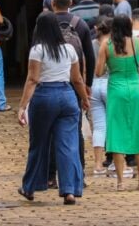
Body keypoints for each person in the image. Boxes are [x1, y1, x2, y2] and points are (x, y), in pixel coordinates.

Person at [17, 12, 89, 204]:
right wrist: (84, 99)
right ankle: (70, 190)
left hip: (44, 96)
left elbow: (32, 79)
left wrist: (22, 106)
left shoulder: (37, 50)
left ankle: (30, 187)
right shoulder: (69, 49)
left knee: (39, 144)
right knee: (68, 145)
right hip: (67, 96)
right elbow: (77, 79)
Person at [95, 15, 139, 191]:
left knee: (116, 133)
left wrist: (110, 65)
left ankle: (120, 182)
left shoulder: (107, 45)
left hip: (116, 91)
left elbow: (98, 71)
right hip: (135, 90)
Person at [48, 0, 95, 181]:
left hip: (49, 83)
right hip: (74, 85)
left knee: (50, 130)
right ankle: (79, 174)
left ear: (53, 3)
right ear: (70, 3)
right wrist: (88, 84)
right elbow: (89, 57)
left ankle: (50, 175)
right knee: (75, 130)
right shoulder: (80, 24)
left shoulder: (44, 24)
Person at [89, 16, 112, 175]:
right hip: (111, 85)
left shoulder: (91, 45)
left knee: (99, 126)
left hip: (94, 85)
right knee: (115, 125)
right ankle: (118, 164)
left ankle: (97, 164)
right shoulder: (113, 44)